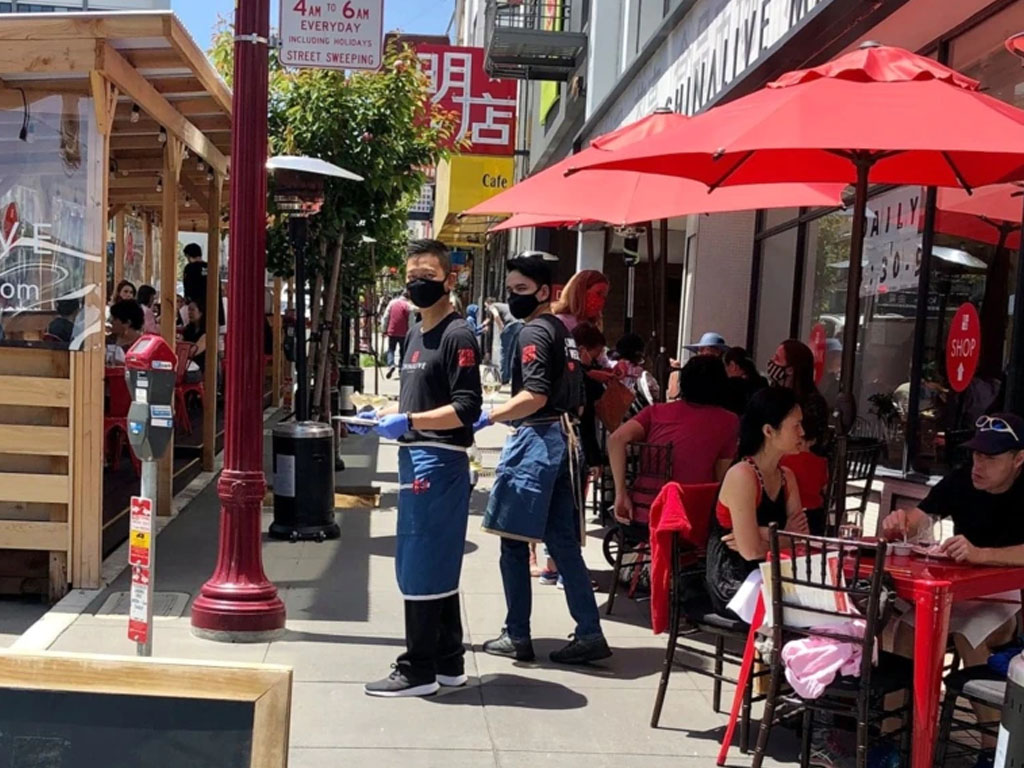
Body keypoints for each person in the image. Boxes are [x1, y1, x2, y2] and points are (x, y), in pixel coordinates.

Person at [477, 252, 612, 665]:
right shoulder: (562, 329)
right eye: (511, 289)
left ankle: (517, 634)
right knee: (563, 545)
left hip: (536, 441)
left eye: (521, 289)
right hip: (563, 439)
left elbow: (534, 394)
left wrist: (489, 415)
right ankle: (589, 632)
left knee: (514, 542)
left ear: (542, 290)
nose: (514, 296)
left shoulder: (533, 332)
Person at [364, 239, 482, 698]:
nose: (417, 284)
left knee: (419, 560)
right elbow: (420, 398)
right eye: (412, 275)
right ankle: (448, 661)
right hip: (415, 453)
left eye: (428, 277)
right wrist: (384, 419)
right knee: (431, 560)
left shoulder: (457, 334)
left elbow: (466, 407)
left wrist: (409, 422)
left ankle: (418, 668)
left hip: (438, 458)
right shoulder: (415, 331)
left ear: (450, 280)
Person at [705, 387, 809, 618]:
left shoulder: (786, 476)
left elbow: (801, 538)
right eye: (796, 425)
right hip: (735, 581)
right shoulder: (743, 474)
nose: (802, 432)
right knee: (801, 612)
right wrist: (782, 537)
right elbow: (750, 552)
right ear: (769, 431)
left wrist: (761, 534)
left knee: (821, 604)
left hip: (772, 573)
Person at [609, 356, 738, 521]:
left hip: (644, 508)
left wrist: (621, 492)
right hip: (690, 514)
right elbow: (721, 477)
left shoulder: (655, 412)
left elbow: (616, 439)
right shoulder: (728, 421)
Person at [769, 339, 832, 536]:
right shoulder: (774, 395)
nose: (772, 362)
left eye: (777, 359)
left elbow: (808, 444)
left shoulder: (812, 403)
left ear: (792, 369)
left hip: (802, 468)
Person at [485, 296, 521, 385]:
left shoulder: (492, 306)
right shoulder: (504, 305)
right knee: (512, 353)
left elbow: (496, 316)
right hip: (519, 324)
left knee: (504, 352)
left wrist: (501, 328)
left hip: (510, 325)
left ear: (488, 303)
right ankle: (510, 376)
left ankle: (503, 377)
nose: (486, 309)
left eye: (485, 306)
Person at [722, 346, 768, 414]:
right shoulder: (762, 382)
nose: (725, 370)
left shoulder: (730, 387)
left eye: (725, 366)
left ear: (733, 366)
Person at [382, 290, 411, 378]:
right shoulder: (408, 306)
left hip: (392, 331)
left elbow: (385, 317)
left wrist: (384, 329)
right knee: (403, 351)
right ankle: (401, 368)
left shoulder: (392, 303)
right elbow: (411, 321)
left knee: (391, 349)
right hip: (404, 333)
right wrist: (411, 332)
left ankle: (391, 364)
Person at [181, 300, 206, 383]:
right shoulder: (188, 329)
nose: (189, 313)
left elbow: (193, 352)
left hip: (200, 369)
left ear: (201, 312)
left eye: (192, 310)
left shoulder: (207, 332)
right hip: (187, 365)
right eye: (188, 310)